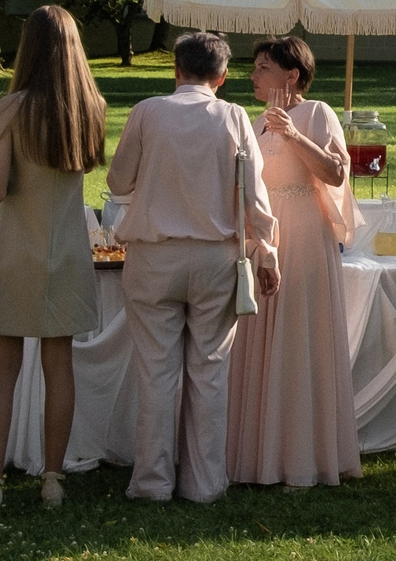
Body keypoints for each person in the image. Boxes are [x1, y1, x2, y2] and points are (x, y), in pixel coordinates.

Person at [105, 31, 278, 504]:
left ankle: (153, 482)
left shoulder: (147, 112)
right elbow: (255, 196)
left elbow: (118, 181)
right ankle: (204, 484)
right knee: (210, 370)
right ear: (222, 78)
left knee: (156, 372)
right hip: (215, 256)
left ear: (176, 70)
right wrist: (267, 249)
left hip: (154, 255)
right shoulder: (235, 116)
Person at [0, 6, 107, 516]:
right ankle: (53, 478)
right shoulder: (90, 105)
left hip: (15, 248)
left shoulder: (12, 107)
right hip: (69, 248)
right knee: (60, 366)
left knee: (1, 369)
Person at [226, 36, 361, 489]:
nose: (254, 75)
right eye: (255, 67)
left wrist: (293, 133)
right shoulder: (253, 122)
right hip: (265, 236)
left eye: (264, 67)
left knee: (298, 338)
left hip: (303, 232)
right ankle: (257, 454)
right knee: (260, 337)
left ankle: (303, 456)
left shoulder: (317, 112)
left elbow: (337, 173)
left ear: (292, 75)